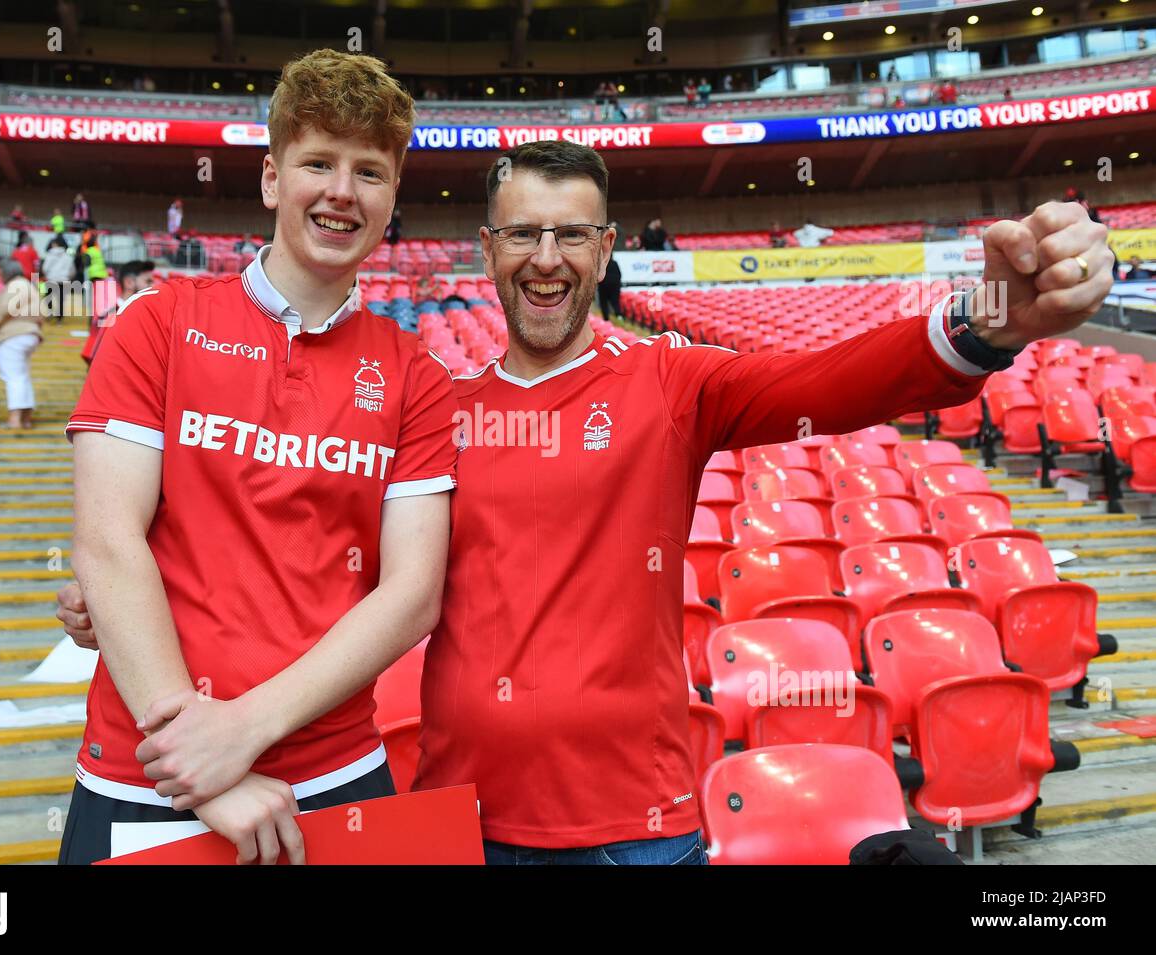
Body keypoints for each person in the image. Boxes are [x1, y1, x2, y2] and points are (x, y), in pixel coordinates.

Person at [60, 140, 1115, 863]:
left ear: (605, 251)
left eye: (572, 235)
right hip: (460, 818)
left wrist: (987, 326)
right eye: (522, 234)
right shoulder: (427, 413)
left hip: (642, 826)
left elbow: (839, 381)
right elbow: (308, 557)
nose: (546, 259)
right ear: (487, 252)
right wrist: (116, 597)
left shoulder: (674, 384)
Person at [53, 48, 455, 866]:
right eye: (318, 163)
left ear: (391, 200)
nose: (342, 191)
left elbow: (412, 593)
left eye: (369, 172)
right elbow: (107, 543)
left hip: (339, 772)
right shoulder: (156, 322)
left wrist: (243, 729)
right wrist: (201, 767)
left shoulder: (418, 374)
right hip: (148, 777)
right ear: (273, 179)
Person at [0, 258, 43, 430]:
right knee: (21, 376)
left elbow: (4, 309)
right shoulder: (27, 285)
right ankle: (25, 417)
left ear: (4, 273)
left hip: (14, 334)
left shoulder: (17, 286)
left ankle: (15, 419)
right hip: (28, 332)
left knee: (14, 377)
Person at [80, 259, 154, 366]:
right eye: (148, 281)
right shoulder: (110, 316)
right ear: (129, 282)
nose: (153, 286)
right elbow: (92, 356)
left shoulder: (145, 316)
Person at [42, 235, 76, 324]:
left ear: (55, 244)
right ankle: (59, 320)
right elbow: (72, 271)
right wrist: (67, 278)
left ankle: (49, 312)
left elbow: (45, 268)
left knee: (48, 297)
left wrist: (47, 275)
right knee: (60, 300)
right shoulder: (68, 257)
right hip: (63, 281)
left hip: (51, 280)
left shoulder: (49, 255)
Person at [596, 219, 623, 322]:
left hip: (604, 286)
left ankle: (607, 319)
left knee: (605, 303)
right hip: (612, 286)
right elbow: (619, 275)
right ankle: (617, 316)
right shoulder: (614, 263)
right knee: (614, 302)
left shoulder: (603, 264)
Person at [81, 231, 108, 314]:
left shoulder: (88, 252)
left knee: (95, 297)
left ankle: (95, 314)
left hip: (94, 275)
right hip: (102, 275)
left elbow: (86, 264)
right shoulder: (97, 251)